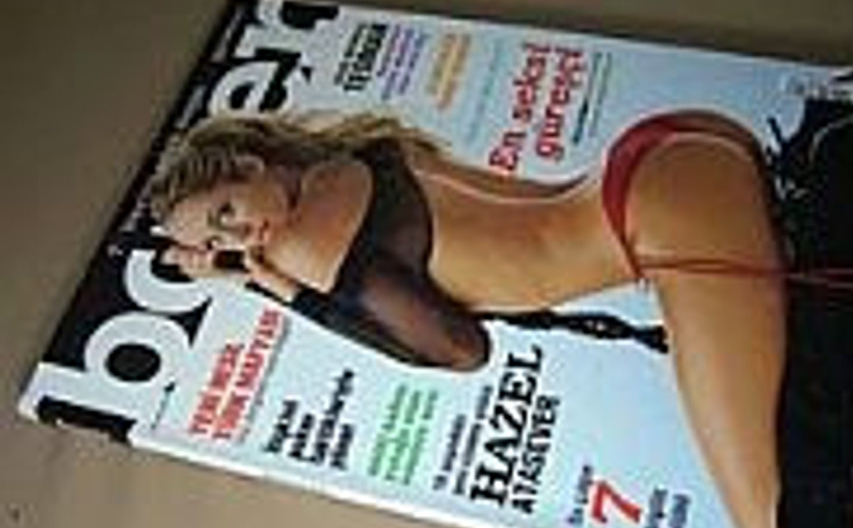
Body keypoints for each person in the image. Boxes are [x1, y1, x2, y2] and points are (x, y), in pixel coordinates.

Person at [147, 109, 785, 528]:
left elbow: (458, 349)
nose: (241, 238)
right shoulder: (358, 156)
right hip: (653, 157)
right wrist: (245, 271)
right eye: (218, 242)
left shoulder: (304, 242)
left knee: (770, 514)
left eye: (226, 212)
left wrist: (282, 291)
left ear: (250, 167)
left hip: (660, 215)